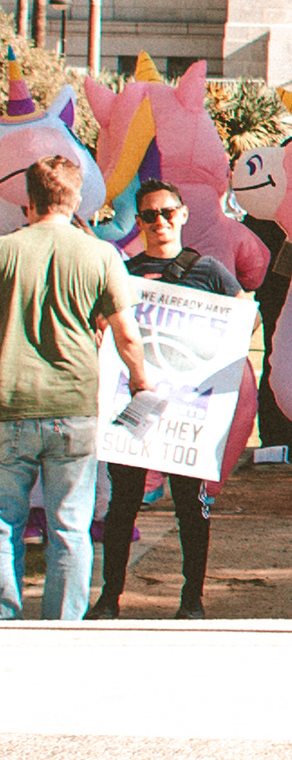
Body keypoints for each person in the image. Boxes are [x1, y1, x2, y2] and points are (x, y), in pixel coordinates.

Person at [0, 154, 151, 625]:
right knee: (70, 526)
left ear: (28, 201)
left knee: (4, 523)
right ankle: (62, 625)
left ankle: (5, 619)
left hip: (9, 404)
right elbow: (127, 335)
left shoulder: (5, 251)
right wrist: (141, 381)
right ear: (78, 199)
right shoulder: (100, 255)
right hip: (74, 406)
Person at [97, 177, 236, 618]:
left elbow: (243, 323)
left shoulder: (210, 271)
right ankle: (109, 597)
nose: (160, 221)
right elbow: (104, 325)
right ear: (139, 221)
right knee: (123, 506)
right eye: (149, 215)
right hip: (133, 404)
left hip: (189, 412)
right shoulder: (125, 273)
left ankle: (192, 598)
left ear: (183, 214)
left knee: (191, 507)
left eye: (167, 212)